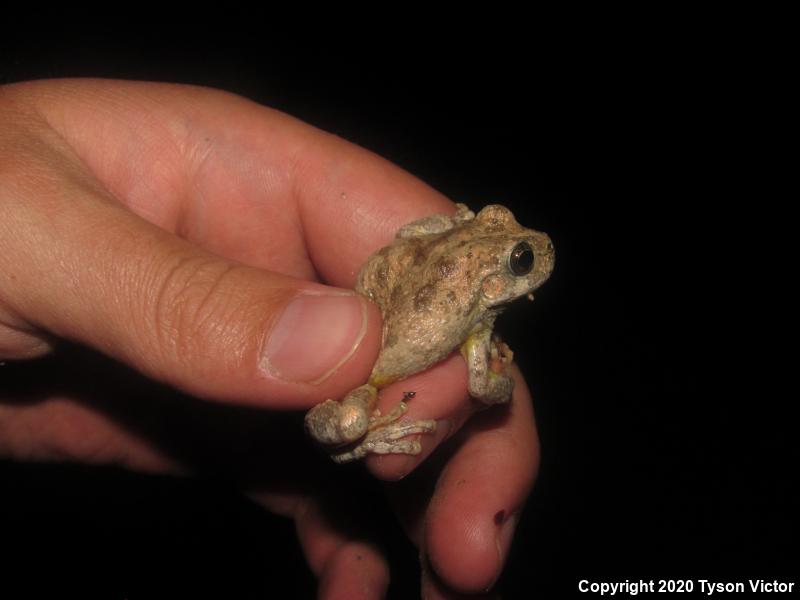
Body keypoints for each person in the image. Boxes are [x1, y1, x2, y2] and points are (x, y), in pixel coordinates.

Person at [0, 79, 540, 598]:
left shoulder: (473, 307)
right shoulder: (475, 326)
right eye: (520, 259)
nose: (530, 255)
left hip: (387, 291)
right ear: (495, 282)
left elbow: (406, 234)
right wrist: (500, 385)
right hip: (366, 364)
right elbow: (483, 387)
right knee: (351, 420)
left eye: (518, 256)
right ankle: (365, 430)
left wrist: (452, 235)